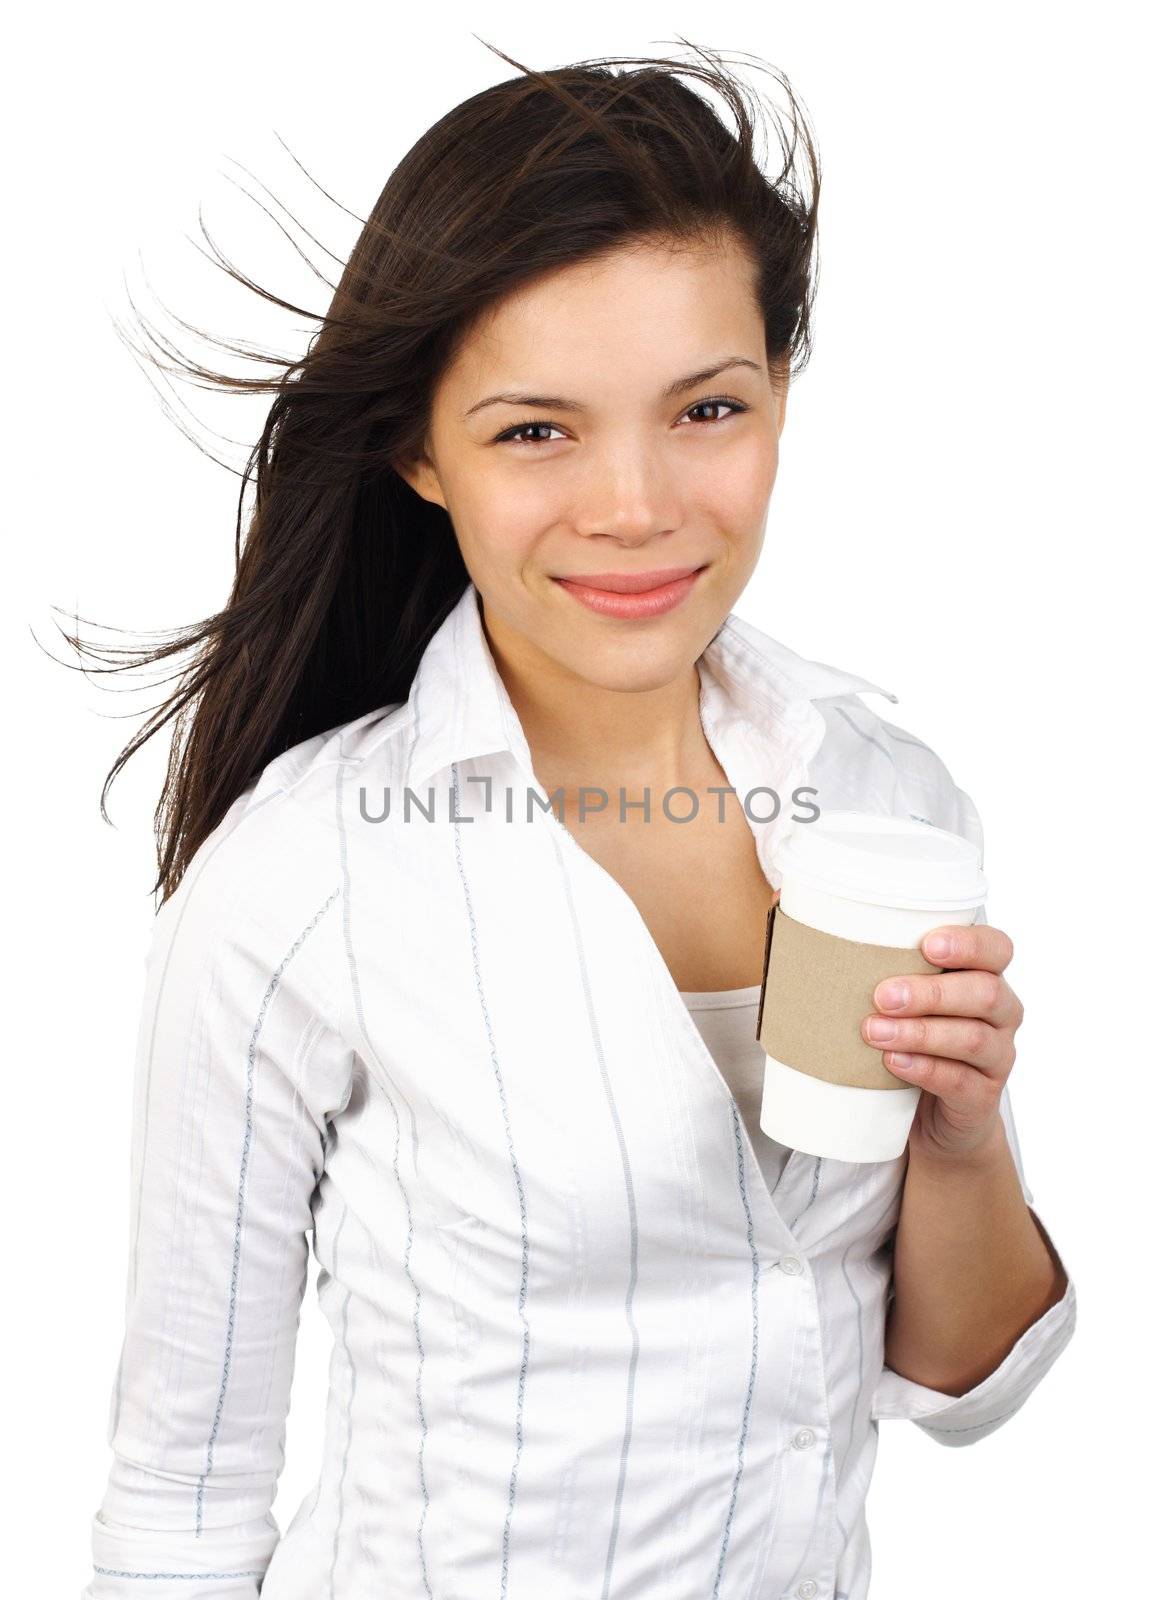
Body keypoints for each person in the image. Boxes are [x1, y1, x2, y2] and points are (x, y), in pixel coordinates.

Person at [74, 42, 1076, 1600]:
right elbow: (181, 1499)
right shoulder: (305, 881)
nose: (635, 502)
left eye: (706, 410)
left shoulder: (886, 803)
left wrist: (956, 1139)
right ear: (421, 451)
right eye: (537, 430)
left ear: (778, 396)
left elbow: (957, 1384)